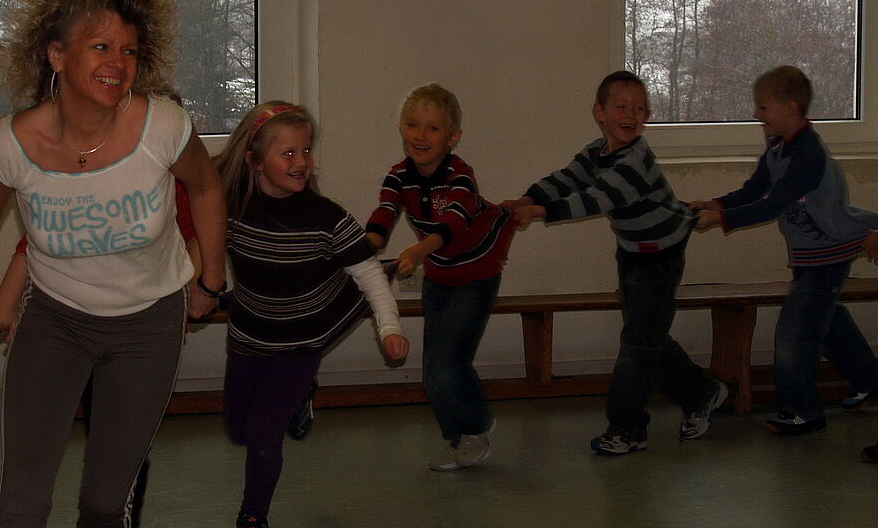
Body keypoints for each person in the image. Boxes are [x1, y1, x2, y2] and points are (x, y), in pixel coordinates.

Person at [0, 0, 226, 528]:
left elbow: (206, 187)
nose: (118, 63)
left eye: (129, 51)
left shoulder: (163, 127)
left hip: (147, 326)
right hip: (56, 320)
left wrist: (211, 279)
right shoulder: (10, 145)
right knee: (22, 493)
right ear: (57, 55)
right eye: (100, 46)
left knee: (106, 499)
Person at [0, 180, 200, 528]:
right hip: (63, 327)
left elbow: (194, 234)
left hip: (140, 330)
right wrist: (3, 302)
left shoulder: (163, 177)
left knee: (109, 488)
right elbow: (34, 242)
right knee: (24, 487)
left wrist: (193, 291)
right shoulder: (63, 176)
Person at [215, 101, 409, 528]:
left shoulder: (326, 218)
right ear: (254, 160)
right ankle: (301, 398)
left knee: (264, 436)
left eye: (306, 150)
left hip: (300, 342)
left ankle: (253, 519)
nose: (301, 161)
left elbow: (369, 274)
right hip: (249, 335)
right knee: (238, 428)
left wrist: (389, 327)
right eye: (288, 153)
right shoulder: (230, 208)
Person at [502, 70, 728, 456]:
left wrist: (539, 212)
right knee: (645, 336)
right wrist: (525, 200)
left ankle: (627, 429)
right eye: (621, 107)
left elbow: (594, 199)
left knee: (638, 343)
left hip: (663, 253)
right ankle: (703, 393)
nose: (631, 115)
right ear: (600, 112)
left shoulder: (634, 160)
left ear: (647, 116)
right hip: (633, 251)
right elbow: (566, 180)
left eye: (639, 109)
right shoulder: (596, 152)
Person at [693, 65, 878, 435]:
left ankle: (803, 410)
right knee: (825, 319)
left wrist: (719, 220)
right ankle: (869, 380)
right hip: (811, 253)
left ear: (790, 107)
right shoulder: (778, 146)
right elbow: (754, 189)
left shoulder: (808, 153)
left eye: (763, 107)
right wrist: (715, 204)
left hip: (831, 250)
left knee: (795, 332)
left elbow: (772, 205)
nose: (757, 114)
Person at [365, 83, 516, 472]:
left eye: (433, 128)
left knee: (449, 362)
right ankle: (460, 439)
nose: (421, 135)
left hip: (477, 274)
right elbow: (384, 213)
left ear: (452, 136)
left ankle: (476, 429)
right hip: (440, 275)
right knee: (434, 369)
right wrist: (365, 247)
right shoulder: (398, 176)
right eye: (413, 125)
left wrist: (417, 252)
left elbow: (454, 224)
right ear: (401, 128)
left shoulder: (460, 175)